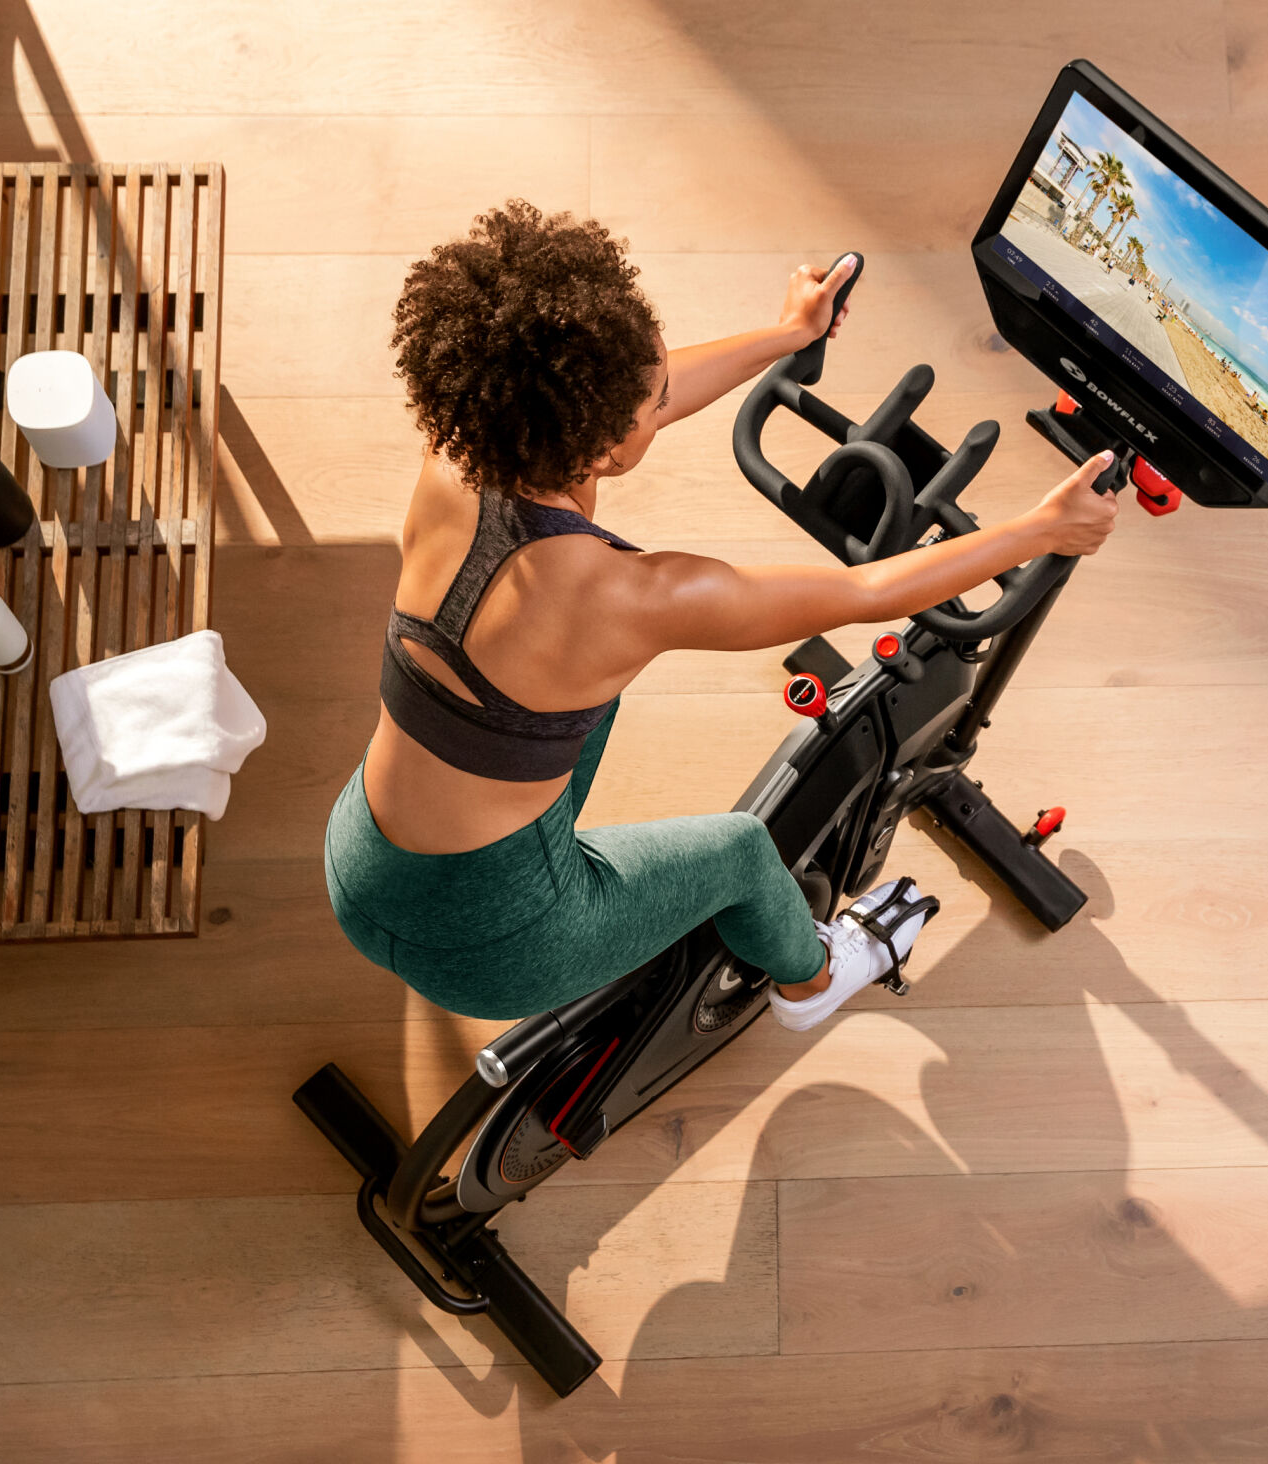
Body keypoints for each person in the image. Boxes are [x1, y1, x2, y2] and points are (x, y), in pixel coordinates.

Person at [324, 203, 1118, 1030]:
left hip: (364, 860)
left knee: (580, 701)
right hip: (496, 946)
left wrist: (786, 335)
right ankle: (813, 983)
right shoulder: (633, 598)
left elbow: (636, 403)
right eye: (653, 399)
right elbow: (871, 593)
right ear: (601, 446)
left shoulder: (465, 445)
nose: (665, 399)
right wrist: (1042, 529)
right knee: (742, 852)